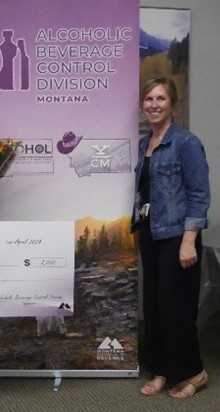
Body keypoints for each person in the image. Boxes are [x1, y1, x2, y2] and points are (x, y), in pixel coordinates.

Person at [131, 77, 210, 398]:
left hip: (178, 236)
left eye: (160, 99)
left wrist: (189, 239)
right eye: (148, 99)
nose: (154, 105)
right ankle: (162, 370)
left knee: (177, 307)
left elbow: (199, 194)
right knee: (154, 306)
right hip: (151, 234)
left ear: (172, 104)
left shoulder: (186, 143)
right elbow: (144, 192)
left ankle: (194, 373)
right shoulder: (144, 143)